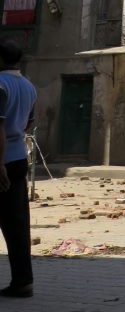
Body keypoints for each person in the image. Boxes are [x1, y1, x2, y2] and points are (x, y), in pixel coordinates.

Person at [0, 41, 35, 297]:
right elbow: (31, 123)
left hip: (1, 161)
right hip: (18, 157)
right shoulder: (28, 86)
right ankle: (23, 282)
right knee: (17, 224)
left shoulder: (1, 84)